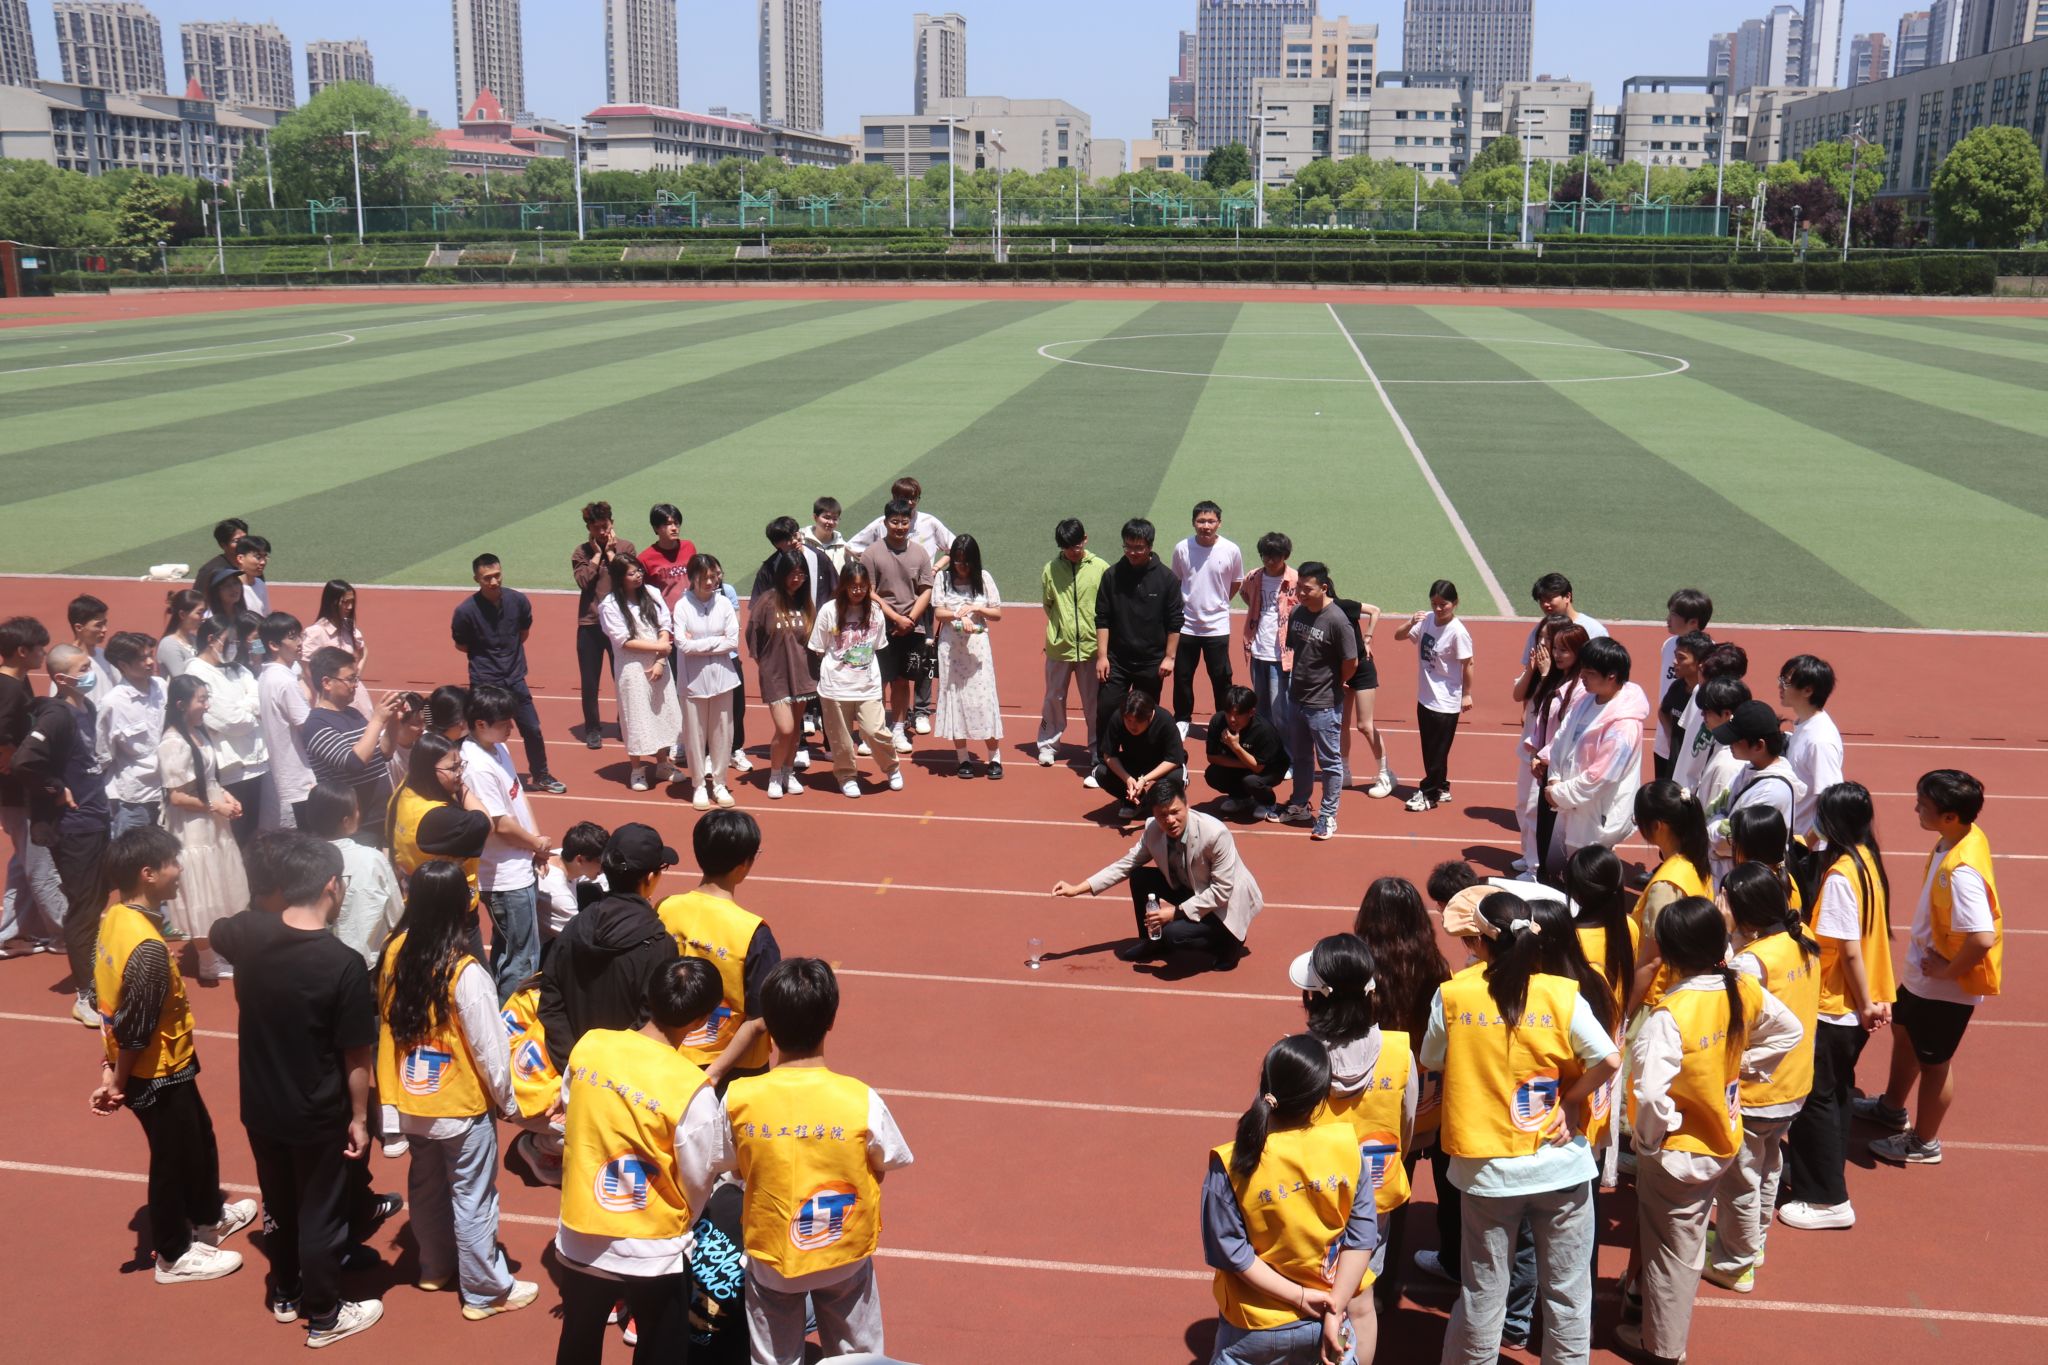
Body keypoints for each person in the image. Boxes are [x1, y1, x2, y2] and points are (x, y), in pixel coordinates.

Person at [1424, 891, 1619, 1365]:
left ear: (1480, 942)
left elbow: (1431, 1058)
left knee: (1483, 1293)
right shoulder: (1561, 993)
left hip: (1487, 1171)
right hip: (1560, 1165)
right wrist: (1571, 1100)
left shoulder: (1455, 993)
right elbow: (1609, 1059)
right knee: (1569, 1295)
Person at [210, 834, 385, 1347]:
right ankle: (326, 1314)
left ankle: (286, 1291)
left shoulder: (250, 937)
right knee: (320, 1212)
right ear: (332, 885)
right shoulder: (343, 963)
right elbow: (356, 1056)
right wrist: (359, 1118)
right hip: (316, 1111)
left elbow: (220, 931)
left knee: (279, 1201)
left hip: (260, 1105)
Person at [1622, 896, 1801, 1363]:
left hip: (1677, 1152)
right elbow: (1790, 1031)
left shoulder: (1670, 1014)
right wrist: (1743, 1066)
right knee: (1678, 1240)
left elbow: (1651, 1095)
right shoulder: (1739, 987)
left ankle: (1664, 1349)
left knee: (1674, 1257)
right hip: (1722, 1138)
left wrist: (1649, 1140)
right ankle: (1640, 1305)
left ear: (1669, 953)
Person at [721, 958, 915, 1364]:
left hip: (773, 1255)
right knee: (857, 1352)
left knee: (773, 1356)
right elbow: (887, 1161)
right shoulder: (861, 1099)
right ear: (831, 1021)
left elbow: (730, 1166)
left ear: (769, 1027)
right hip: (844, 1251)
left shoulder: (739, 1098)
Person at [90, 826, 258, 1285]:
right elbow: (134, 1027)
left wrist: (108, 1067)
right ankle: (173, 1253)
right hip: (155, 1070)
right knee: (171, 1157)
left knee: (198, 1137)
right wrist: (117, 1080)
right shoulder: (146, 948)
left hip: (167, 1062)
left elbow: (105, 1000)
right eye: (172, 864)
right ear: (148, 873)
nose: (179, 871)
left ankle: (207, 1217)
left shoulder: (115, 918)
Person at [375, 859, 535, 1321]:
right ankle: (485, 1291)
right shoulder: (464, 971)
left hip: (411, 1097)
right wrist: (508, 1102)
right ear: (460, 907)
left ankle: (434, 1265)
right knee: (473, 1196)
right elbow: (489, 1049)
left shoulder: (394, 950)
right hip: (459, 1103)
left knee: (425, 1187)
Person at [553, 956, 729, 1365]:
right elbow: (698, 1176)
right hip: (653, 1248)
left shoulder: (591, 1045)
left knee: (577, 1341)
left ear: (650, 994)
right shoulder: (693, 1088)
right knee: (662, 1347)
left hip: (582, 1232)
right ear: (701, 1020)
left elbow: (570, 1107)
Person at [1856, 768, 2002, 1169]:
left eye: (1923, 804)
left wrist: (1947, 972)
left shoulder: (1963, 872)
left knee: (1934, 1063)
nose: (1915, 808)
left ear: (1950, 816)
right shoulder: (1957, 838)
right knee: (1904, 1033)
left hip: (1945, 988)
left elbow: (1982, 937)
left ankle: (1924, 1141)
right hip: (1924, 977)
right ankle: (1891, 1108)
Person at [1201, 1035, 1373, 1365]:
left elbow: (1232, 1253)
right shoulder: (1347, 1148)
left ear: (1265, 1087)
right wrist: (1334, 1307)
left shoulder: (1230, 1163)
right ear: (1321, 1098)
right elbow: (1362, 1238)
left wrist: (1301, 1297)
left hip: (1254, 1326)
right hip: (1328, 1318)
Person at [1778, 782, 1894, 1231]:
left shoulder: (1843, 876)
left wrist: (1865, 1004)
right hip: (1854, 1002)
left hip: (1836, 1004)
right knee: (1837, 1091)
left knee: (1816, 1098)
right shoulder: (1866, 860)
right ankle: (1822, 1171)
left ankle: (1827, 1197)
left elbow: (1848, 951)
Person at [1705, 862, 1821, 1294]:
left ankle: (1735, 1264)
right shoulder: (1800, 936)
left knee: (1739, 1179)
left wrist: (1722, 931)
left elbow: (1721, 998)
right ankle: (1754, 1243)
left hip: (1755, 1090)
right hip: (1793, 1082)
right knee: (1769, 1164)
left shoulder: (1751, 962)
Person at [1295, 933, 1413, 1356]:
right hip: (1374, 1196)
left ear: (1313, 996)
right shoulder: (1399, 1051)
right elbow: (1405, 1126)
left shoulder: (1299, 1057)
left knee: (1306, 1294)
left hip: (1311, 1196)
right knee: (1361, 1302)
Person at [1350, 876, 1451, 1306]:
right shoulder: (1436, 967)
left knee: (1387, 1193)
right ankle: (1456, 1259)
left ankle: (1379, 1286)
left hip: (1387, 1100)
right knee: (1451, 1188)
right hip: (1435, 1094)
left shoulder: (1361, 972)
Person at [1052, 775, 1260, 971]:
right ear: (1154, 814)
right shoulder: (1153, 828)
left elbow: (1222, 892)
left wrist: (1175, 912)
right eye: (1162, 815)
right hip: (1192, 886)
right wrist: (1077, 888)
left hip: (1226, 903)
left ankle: (1228, 943)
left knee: (1173, 934)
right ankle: (1152, 942)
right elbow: (1125, 865)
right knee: (1140, 877)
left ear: (1187, 806)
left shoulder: (1215, 834)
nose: (1170, 820)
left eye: (1175, 812)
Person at [12, 645, 110, 1025]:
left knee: (95, 902)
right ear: (62, 679)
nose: (91, 672)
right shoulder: (57, 715)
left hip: (97, 818)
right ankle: (86, 996)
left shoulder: (89, 707)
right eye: (83, 668)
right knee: (84, 908)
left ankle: (94, 972)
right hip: (74, 826)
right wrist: (55, 787)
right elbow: (24, 762)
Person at [538, 823, 684, 1073]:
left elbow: (550, 997)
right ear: (650, 878)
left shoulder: (575, 926)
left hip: (572, 1071)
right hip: (624, 1076)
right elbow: (653, 1021)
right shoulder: (661, 946)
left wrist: (573, 1064)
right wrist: (608, 1072)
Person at [656, 809, 783, 1090]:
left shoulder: (665, 908)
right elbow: (759, 1019)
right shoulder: (754, 933)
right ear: (744, 864)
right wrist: (714, 1073)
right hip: (733, 1070)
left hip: (669, 1055)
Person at [458, 685, 551, 1001]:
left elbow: (518, 799)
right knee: (522, 961)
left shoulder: (498, 748)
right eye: (504, 723)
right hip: (505, 878)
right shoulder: (475, 766)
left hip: (519, 865)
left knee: (509, 949)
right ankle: (511, 1019)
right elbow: (499, 824)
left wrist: (537, 844)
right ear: (480, 724)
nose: (511, 727)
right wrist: (535, 844)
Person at [156, 675, 249, 983]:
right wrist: (215, 806)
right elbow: (176, 796)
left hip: (212, 825)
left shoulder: (198, 732)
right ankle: (208, 962)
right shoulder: (173, 743)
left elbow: (208, 780)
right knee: (201, 891)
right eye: (202, 699)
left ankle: (217, 950)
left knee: (219, 884)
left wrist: (227, 797)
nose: (207, 705)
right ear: (181, 704)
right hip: (192, 829)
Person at [450, 554, 566, 794]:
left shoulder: (518, 601)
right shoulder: (465, 611)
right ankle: (470, 777)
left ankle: (541, 775)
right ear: (476, 579)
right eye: (487, 578)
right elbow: (461, 645)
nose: (493, 582)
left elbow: (523, 632)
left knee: (532, 728)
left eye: (497, 575)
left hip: (515, 679)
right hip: (485, 683)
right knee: (479, 733)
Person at [1538, 636, 1648, 866]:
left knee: (1587, 874)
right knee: (1562, 869)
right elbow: (1561, 740)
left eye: (1589, 673)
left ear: (1611, 676)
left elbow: (1602, 777)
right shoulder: (1586, 700)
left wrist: (1558, 794)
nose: (1582, 677)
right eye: (1583, 670)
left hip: (1596, 817)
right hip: (1569, 804)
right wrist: (1555, 778)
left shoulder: (1624, 726)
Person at [1094, 518, 1183, 773]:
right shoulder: (1112, 575)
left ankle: (1145, 763)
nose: (1133, 552)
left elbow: (1175, 621)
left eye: (1139, 547)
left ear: (1150, 546)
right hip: (1117, 660)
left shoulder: (1166, 579)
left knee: (1144, 714)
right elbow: (1102, 618)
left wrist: (1170, 657)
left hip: (1152, 661)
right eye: (1128, 546)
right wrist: (1102, 656)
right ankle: (1103, 761)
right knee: (1107, 709)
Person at [808, 563, 904, 799]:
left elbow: (878, 646)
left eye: (862, 587)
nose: (858, 591)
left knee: (874, 731)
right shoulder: (829, 610)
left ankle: (891, 767)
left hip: (867, 685)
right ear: (843, 587)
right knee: (840, 738)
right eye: (853, 587)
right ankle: (847, 776)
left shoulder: (875, 612)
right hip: (835, 686)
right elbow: (818, 647)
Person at [1276, 561, 1355, 842]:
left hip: (1323, 704)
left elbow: (1351, 662)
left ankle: (1328, 815)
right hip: (1296, 698)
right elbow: (1298, 651)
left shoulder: (1337, 620)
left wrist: (1332, 683)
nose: (1300, 593)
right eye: (1298, 587)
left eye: (1307, 589)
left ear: (1323, 587)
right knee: (1300, 757)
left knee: (1329, 762)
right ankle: (1299, 804)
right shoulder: (1298, 612)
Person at [0, 615, 64, 958]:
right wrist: (14, 760)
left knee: (24, 863)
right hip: (19, 792)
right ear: (22, 651)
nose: (44, 653)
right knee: (40, 863)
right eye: (40, 648)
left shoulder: (17, 682)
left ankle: (11, 933)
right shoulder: (9, 689)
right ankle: (65, 933)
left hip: (18, 791)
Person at [597, 555, 684, 793]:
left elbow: (664, 625)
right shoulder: (610, 605)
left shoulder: (652, 593)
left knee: (661, 711)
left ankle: (663, 763)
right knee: (635, 715)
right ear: (619, 578)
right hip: (632, 668)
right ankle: (636, 769)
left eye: (639, 571)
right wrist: (661, 648)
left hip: (658, 664)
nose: (638, 576)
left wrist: (660, 660)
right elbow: (624, 640)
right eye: (631, 573)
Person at [301, 647, 400, 848]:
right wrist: (377, 720)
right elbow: (353, 762)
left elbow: (384, 753)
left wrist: (394, 720)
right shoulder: (315, 724)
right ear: (327, 683)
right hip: (354, 827)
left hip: (381, 816)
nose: (355, 685)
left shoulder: (353, 714)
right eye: (350, 679)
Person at [1628, 782, 1713, 1012]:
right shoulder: (1696, 864)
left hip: (1656, 997)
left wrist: (1624, 1013)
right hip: (1686, 986)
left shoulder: (1666, 885)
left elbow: (1651, 961)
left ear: (1658, 826)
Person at [1512, 617, 1586, 881]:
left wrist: (1545, 674)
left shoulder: (1572, 682)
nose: (1545, 646)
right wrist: (1534, 670)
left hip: (1553, 760)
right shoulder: (1546, 670)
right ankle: (1531, 857)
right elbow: (1519, 695)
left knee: (1538, 811)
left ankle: (1537, 867)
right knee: (1524, 805)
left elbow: (1560, 718)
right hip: (1534, 751)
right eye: (1542, 638)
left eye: (1551, 640)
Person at [300, 783, 403, 970]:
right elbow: (397, 917)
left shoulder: (298, 862)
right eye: (356, 809)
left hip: (318, 966)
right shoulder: (372, 859)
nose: (359, 813)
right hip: (371, 966)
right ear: (346, 821)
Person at [861, 498, 935, 756]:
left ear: (910, 523)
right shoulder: (872, 553)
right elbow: (868, 591)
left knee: (903, 681)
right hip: (880, 627)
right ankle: (874, 730)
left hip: (912, 629)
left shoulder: (920, 553)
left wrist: (910, 620)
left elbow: (926, 590)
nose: (900, 527)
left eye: (904, 522)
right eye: (895, 522)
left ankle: (899, 728)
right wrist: (894, 617)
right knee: (877, 681)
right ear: (885, 523)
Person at [184, 617, 266, 846]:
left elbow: (260, 698)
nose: (235, 647)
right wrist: (250, 712)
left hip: (256, 764)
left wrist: (244, 708)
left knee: (254, 836)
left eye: (237, 642)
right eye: (230, 642)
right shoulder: (196, 672)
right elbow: (229, 720)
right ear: (212, 640)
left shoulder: (238, 668)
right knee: (233, 837)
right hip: (229, 770)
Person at [746, 548, 819, 800]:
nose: (796, 579)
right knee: (785, 728)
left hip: (802, 675)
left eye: (801, 574)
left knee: (796, 730)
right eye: (792, 574)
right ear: (782, 574)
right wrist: (765, 666)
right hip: (775, 676)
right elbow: (753, 637)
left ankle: (789, 772)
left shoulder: (806, 604)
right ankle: (775, 775)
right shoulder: (767, 602)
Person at [1394, 580, 1471, 813]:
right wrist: (1411, 621)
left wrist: (1467, 694)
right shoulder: (1427, 620)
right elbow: (1398, 636)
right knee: (1431, 749)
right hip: (1426, 697)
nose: (1438, 609)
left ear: (1455, 603)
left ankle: (1429, 794)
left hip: (1446, 701)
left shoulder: (1458, 632)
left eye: (1443, 604)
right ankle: (1442, 787)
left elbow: (1468, 664)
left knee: (1436, 751)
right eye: (1434, 603)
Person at [387, 732, 491, 904]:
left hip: (416, 896)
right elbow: (485, 823)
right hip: (447, 905)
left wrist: (453, 776)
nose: (460, 773)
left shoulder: (405, 790)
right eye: (452, 768)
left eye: (461, 765)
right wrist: (460, 786)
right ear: (428, 771)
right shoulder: (438, 817)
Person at [1037, 518, 1107, 772]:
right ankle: (1048, 745)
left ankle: (1097, 748)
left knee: (1094, 703)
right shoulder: (1051, 569)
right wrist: (1061, 629)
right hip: (1060, 648)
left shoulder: (1101, 568)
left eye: (1076, 546)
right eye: (1067, 547)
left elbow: (1107, 608)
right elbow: (1049, 604)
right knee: (1054, 698)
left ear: (1085, 539)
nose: (1072, 552)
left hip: (1091, 649)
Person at [932, 533, 1004, 778]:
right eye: (957, 561)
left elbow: (997, 613)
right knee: (956, 700)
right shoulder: (942, 579)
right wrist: (957, 615)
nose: (961, 567)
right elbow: (939, 612)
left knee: (984, 700)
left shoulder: (983, 578)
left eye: (966, 562)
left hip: (977, 650)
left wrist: (975, 608)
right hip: (951, 651)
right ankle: (963, 758)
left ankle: (994, 758)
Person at [1709, 700, 1805, 884]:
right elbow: (1715, 806)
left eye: (1736, 739)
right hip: (1736, 876)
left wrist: (1715, 822)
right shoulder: (1750, 768)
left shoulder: (1771, 792)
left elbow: (1725, 842)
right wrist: (1719, 820)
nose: (1729, 743)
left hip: (1752, 885)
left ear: (1759, 746)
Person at [1169, 500, 1242, 737]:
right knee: (1182, 676)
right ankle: (1182, 719)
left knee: (1221, 677)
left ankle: (1223, 720)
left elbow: (1236, 582)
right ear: (1193, 522)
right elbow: (1176, 581)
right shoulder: (1182, 548)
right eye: (1201, 521)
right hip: (1187, 625)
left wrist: (1219, 603)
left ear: (1219, 523)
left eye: (1211, 521)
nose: (1206, 526)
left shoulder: (1231, 549)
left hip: (1217, 627)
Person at [673, 554, 741, 809]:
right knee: (695, 735)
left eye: (714, 576)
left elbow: (732, 641)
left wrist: (699, 643)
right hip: (693, 683)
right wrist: (716, 640)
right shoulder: (682, 606)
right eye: (705, 578)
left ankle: (720, 783)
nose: (711, 582)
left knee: (723, 733)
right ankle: (699, 784)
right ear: (692, 578)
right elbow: (682, 645)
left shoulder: (723, 603)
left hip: (723, 679)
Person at [571, 501, 637, 750]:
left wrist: (611, 555)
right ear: (588, 528)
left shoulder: (626, 548)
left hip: (619, 625)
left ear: (612, 523)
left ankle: (625, 723)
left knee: (623, 677)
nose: (601, 532)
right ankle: (592, 728)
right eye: (596, 528)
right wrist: (597, 556)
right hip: (590, 624)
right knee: (589, 682)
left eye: (605, 526)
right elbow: (583, 581)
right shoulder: (581, 553)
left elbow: (629, 579)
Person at [98, 631, 166, 838]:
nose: (150, 662)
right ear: (123, 665)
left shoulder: (162, 687)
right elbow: (103, 754)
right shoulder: (112, 703)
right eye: (142, 658)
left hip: (168, 790)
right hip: (136, 798)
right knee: (133, 852)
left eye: (150, 655)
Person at [1778, 653, 1844, 846]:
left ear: (1807, 690)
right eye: (1781, 679)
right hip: (1794, 838)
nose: (1780, 686)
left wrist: (1805, 845)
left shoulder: (1819, 741)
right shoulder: (1805, 724)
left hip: (1810, 849)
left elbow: (1832, 803)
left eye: (1786, 682)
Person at [255, 613, 313, 831]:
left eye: (299, 635)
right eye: (292, 637)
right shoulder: (285, 681)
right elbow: (307, 727)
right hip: (303, 775)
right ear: (273, 645)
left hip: (289, 773)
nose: (299, 642)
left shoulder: (266, 676)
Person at [1093, 689, 1187, 821]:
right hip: (1133, 761)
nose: (1132, 726)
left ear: (1149, 716)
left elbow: (1173, 759)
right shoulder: (1118, 717)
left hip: (1160, 763)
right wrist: (1127, 779)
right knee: (1101, 772)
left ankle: (1154, 800)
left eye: (1138, 721)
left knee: (1176, 778)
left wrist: (1144, 780)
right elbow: (1109, 755)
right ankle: (1135, 799)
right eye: (1128, 720)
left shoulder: (1165, 719)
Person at [1238, 532, 1297, 735]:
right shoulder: (1253, 576)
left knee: (1281, 710)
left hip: (1282, 655)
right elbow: (1245, 593)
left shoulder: (1295, 580)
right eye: (1265, 556)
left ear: (1285, 556)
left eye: (1275, 556)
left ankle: (1287, 752)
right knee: (1261, 708)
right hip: (1258, 650)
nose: (1270, 561)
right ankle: (1266, 748)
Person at [1670, 643, 1747, 797]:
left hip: (1695, 798)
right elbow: (1684, 740)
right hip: (1679, 788)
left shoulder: (1734, 713)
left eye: (1703, 670)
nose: (1699, 671)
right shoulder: (1698, 692)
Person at [1334, 589, 1390, 799]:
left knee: (1364, 725)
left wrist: (1367, 639)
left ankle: (1385, 774)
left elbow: (1375, 610)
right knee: (1341, 723)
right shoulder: (1315, 614)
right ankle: (1344, 771)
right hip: (1342, 669)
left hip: (1362, 668)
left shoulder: (1342, 606)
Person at [1654, 590, 1714, 783]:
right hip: (1666, 740)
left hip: (1691, 746)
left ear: (1693, 622)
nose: (1667, 619)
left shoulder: (1711, 653)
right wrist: (1668, 735)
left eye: (1673, 614)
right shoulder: (1668, 645)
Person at [1203, 684, 1288, 818]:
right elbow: (1212, 757)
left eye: (1238, 715)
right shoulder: (1218, 721)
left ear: (1251, 712)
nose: (1232, 719)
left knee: (1251, 781)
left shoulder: (1264, 730)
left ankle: (1268, 802)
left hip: (1270, 768)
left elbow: (1258, 768)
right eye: (1228, 713)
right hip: (1244, 764)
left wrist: (1235, 746)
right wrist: (1245, 763)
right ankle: (1241, 798)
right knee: (1212, 774)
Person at [302, 580, 373, 719]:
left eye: (352, 602)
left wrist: (355, 676)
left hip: (355, 695)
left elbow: (364, 651)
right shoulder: (315, 632)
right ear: (332, 602)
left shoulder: (349, 628)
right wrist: (331, 687)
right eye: (345, 602)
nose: (350, 607)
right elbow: (307, 668)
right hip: (332, 700)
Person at [538, 820, 609, 942]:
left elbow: (605, 880)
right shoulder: (559, 895)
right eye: (600, 861)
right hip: (546, 947)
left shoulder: (565, 859)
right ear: (580, 860)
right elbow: (582, 939)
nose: (604, 867)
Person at [638, 502, 698, 612]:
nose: (674, 528)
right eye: (668, 524)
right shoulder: (645, 559)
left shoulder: (689, 547)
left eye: (676, 523)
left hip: (693, 612)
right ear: (656, 528)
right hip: (665, 617)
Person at [1524, 572, 1607, 652]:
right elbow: (1528, 660)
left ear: (1567, 597)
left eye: (1549, 598)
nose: (1545, 604)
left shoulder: (1594, 630)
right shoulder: (1541, 630)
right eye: (1541, 600)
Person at [60, 593, 111, 697]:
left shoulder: (106, 656)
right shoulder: (66, 662)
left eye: (105, 623)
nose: (104, 629)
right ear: (79, 627)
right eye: (98, 625)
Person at [194, 517, 249, 598]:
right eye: (236, 541)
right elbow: (197, 600)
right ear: (223, 545)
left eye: (245, 538)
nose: (243, 543)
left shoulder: (252, 566)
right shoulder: (210, 571)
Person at [157, 590, 205, 679]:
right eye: (199, 613)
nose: (203, 617)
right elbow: (182, 681)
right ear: (182, 614)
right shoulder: (169, 644)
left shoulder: (194, 639)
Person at [801, 495, 849, 572]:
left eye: (835, 519)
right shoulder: (801, 541)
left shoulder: (844, 547)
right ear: (815, 517)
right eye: (827, 517)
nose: (831, 522)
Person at [231, 536, 272, 616]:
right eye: (258, 557)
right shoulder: (229, 588)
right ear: (240, 558)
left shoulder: (260, 584)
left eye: (265, 557)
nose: (263, 562)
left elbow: (266, 615)